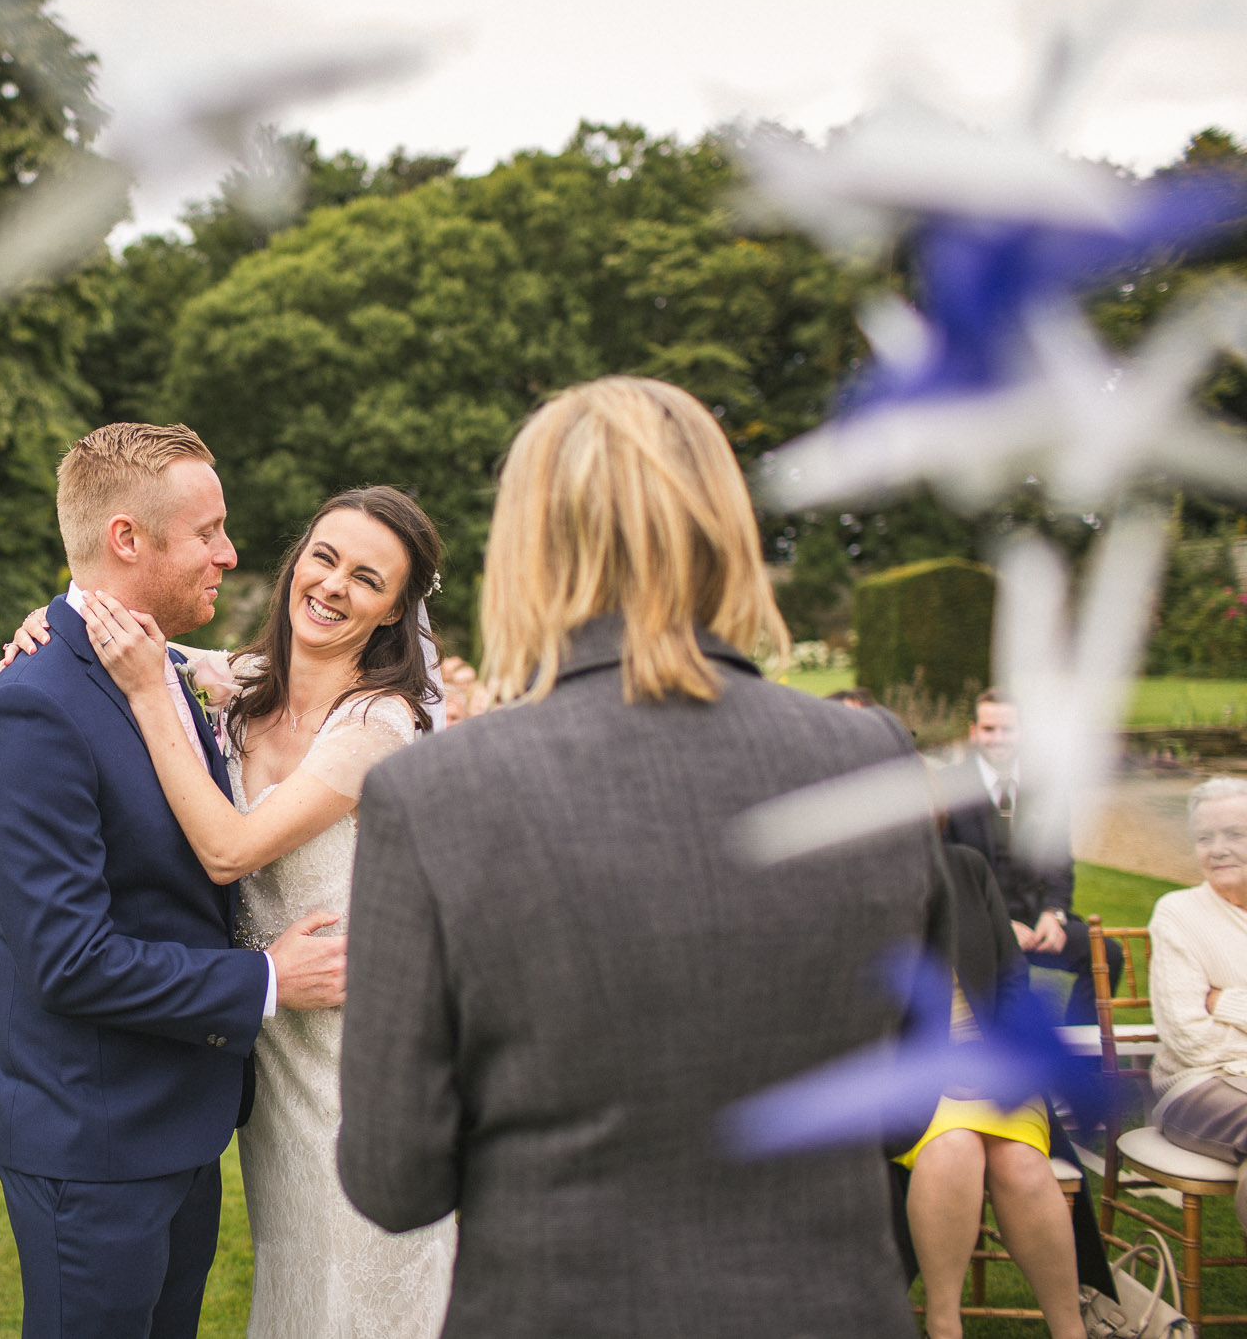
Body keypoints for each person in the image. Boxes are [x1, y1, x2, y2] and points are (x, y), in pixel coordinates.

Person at [334, 377, 950, 1339]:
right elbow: (907, 1105)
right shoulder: (871, 758)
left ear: (531, 544)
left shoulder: (438, 793)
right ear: (724, 530)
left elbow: (394, 1175)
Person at [0, 420, 347, 1339]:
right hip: (92, 1138)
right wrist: (266, 979)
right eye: (208, 531)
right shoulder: (32, 707)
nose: (231, 552)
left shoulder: (166, 668)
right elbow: (68, 959)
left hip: (178, 1117)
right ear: (127, 538)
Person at [56, 484, 455, 1337]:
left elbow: (230, 849)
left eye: (367, 578)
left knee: (369, 1284)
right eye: (324, 557)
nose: (334, 585)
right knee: (298, 1271)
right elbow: (122, 627)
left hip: (362, 1054)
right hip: (274, 1049)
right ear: (297, 560)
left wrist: (150, 696)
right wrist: (49, 619)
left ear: (393, 610)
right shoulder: (242, 686)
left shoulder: (376, 724)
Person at [892, 841, 1094, 1339]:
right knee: (954, 1148)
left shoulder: (966, 866)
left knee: (1021, 1162)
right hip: (905, 1074)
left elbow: (1011, 975)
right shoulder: (851, 880)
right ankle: (944, 1322)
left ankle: (1070, 1329)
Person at [942, 690, 1122, 1024]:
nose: (998, 738)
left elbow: (1059, 863)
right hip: (980, 924)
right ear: (974, 732)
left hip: (1037, 921)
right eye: (989, 729)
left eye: (1007, 729)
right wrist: (1000, 926)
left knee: (1107, 956)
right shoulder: (948, 787)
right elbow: (946, 873)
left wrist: (1053, 913)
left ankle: (1075, 1047)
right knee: (1012, 976)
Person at [1147, 775, 1247, 1234]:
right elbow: (1190, 1038)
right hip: (1196, 1085)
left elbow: (1208, 1021)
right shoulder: (1178, 912)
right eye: (1205, 838)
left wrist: (1224, 1002)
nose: (1218, 849)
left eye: (1234, 834)